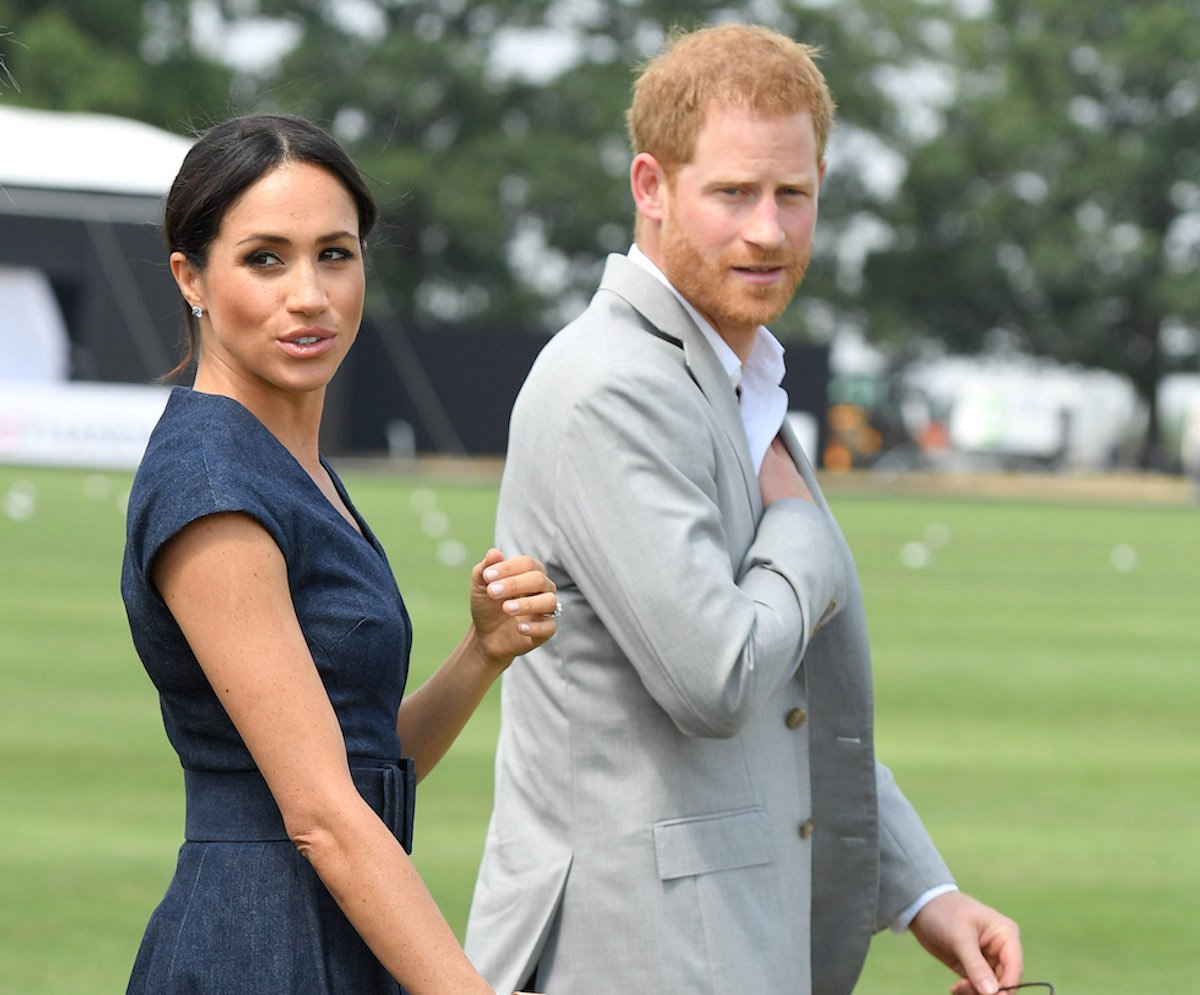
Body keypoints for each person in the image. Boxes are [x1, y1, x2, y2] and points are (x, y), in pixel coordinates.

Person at [465, 24, 1023, 995]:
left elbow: (790, 717)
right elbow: (719, 677)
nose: (767, 229)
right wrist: (806, 532)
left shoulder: (735, 371)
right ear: (652, 187)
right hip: (632, 954)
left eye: (793, 194)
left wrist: (925, 892)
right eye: (732, 192)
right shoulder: (611, 386)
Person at [121, 113, 558, 994]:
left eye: (335, 253)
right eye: (265, 258)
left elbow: (360, 766)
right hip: (261, 944)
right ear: (191, 278)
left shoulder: (289, 464)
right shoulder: (214, 483)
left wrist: (479, 654)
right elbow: (321, 811)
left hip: (341, 923)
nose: (310, 294)